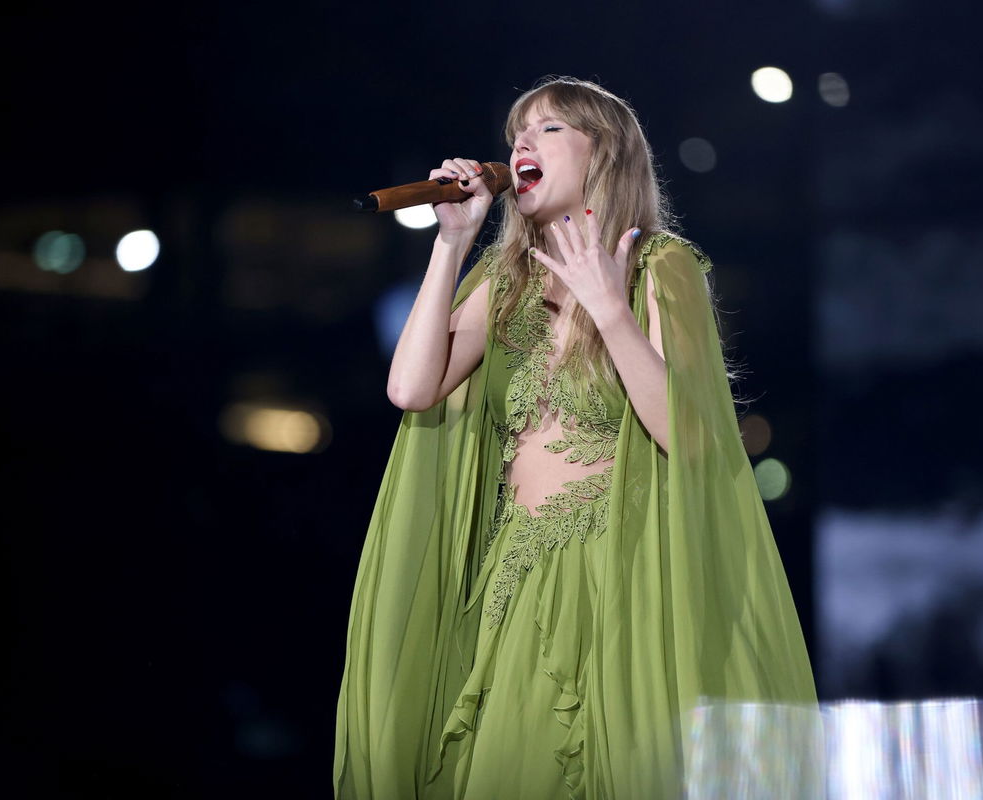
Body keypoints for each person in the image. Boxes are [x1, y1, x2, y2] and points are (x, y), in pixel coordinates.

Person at [333, 76, 819, 800]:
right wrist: (453, 244)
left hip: (618, 576)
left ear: (605, 153)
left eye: (549, 128)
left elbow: (690, 438)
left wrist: (607, 307)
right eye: (515, 134)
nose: (521, 143)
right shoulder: (504, 281)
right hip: (515, 577)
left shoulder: (661, 265)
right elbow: (410, 388)